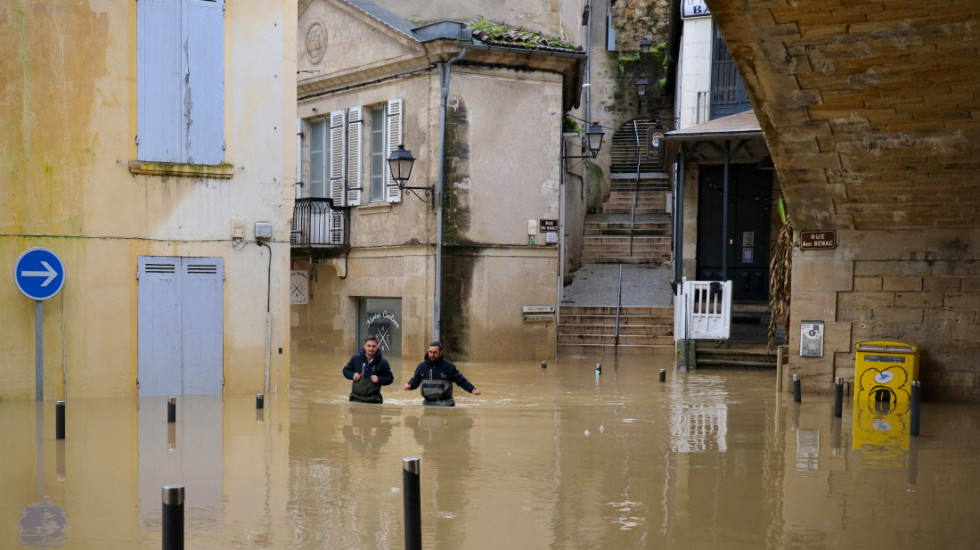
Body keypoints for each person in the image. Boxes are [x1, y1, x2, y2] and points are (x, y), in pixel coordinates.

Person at [403, 341, 481, 407]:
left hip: (446, 404)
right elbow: (416, 380)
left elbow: (461, 381)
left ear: (441, 353)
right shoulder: (422, 367)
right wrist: (409, 385)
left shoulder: (448, 366)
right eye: (430, 352)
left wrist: (472, 389)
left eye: (435, 352)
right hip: (427, 404)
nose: (432, 355)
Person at [342, 335, 394, 404]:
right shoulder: (356, 358)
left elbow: (390, 379)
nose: (371, 348)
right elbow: (345, 370)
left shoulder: (383, 362)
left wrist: (379, 379)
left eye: (373, 346)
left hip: (374, 401)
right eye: (368, 346)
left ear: (377, 347)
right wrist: (352, 375)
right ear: (364, 346)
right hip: (355, 399)